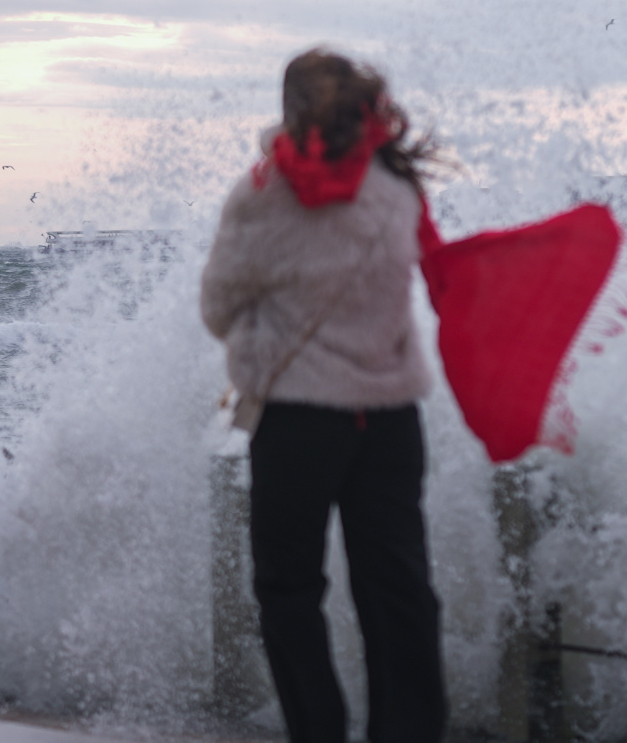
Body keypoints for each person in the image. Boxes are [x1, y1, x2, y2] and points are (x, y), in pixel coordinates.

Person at [200, 49, 447, 743]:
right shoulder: (399, 189)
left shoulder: (262, 193)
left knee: (289, 590)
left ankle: (320, 730)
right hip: (392, 418)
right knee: (398, 590)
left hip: (300, 421)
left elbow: (218, 305)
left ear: (291, 108)